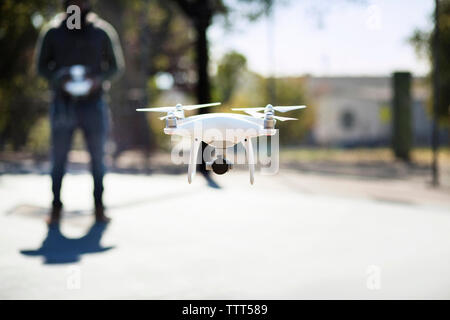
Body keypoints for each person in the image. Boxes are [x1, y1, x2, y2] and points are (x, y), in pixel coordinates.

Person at [36, 0, 125, 224]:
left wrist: (98, 80)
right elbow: (41, 67)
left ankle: (99, 208)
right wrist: (59, 79)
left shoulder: (102, 32)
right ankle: (55, 208)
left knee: (98, 158)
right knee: (58, 158)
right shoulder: (53, 32)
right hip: (62, 105)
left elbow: (115, 67)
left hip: (93, 104)